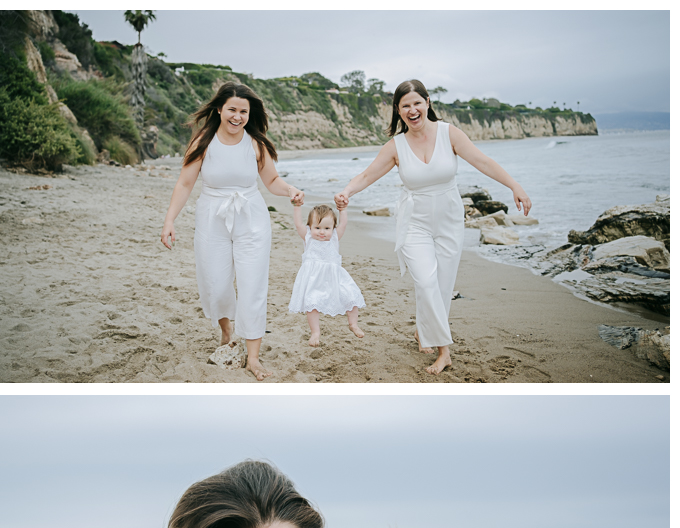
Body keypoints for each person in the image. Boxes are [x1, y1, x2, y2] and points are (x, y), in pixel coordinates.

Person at [334, 79, 532, 375]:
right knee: (426, 282)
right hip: (414, 222)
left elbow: (484, 161)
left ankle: (423, 331)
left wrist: (515, 186)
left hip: (450, 220)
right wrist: (347, 191)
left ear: (427, 102)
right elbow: (367, 175)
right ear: (398, 112)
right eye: (405, 106)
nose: (412, 110)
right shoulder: (396, 146)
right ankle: (444, 351)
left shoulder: (449, 133)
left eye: (417, 103)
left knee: (441, 287)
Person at [160, 82, 304, 381]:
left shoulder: (255, 144)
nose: (237, 117)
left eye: (243, 111)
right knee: (216, 282)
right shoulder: (203, 141)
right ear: (219, 110)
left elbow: (272, 181)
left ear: (250, 114)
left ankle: (253, 357)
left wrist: (290, 190)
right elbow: (185, 183)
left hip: (251, 218)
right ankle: (227, 332)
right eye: (232, 110)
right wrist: (170, 220)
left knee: (252, 286)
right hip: (212, 216)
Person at [289, 203, 365, 346]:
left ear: (333, 229)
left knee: (351, 296)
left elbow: (343, 224)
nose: (322, 232)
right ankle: (315, 332)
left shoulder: (335, 237)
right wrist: (297, 207)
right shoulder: (308, 238)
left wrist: (343, 210)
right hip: (314, 280)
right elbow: (298, 224)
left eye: (327, 228)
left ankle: (353, 323)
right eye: (317, 228)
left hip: (334, 278)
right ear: (309, 227)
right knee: (312, 304)